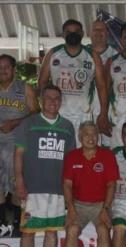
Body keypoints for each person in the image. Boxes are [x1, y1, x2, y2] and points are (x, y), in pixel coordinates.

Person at [14, 85, 76, 247]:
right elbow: (18, 154)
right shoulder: (28, 123)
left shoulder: (68, 126)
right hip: (32, 189)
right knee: (28, 231)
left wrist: (69, 187)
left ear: (61, 102)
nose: (52, 102)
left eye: (56, 98)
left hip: (57, 189)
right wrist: (19, 180)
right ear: (41, 101)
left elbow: (70, 160)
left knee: (51, 231)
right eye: (48, 98)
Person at [38, 19, 111, 145]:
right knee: (58, 152)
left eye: (76, 32)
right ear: (63, 35)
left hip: (83, 115)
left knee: (85, 153)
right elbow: (42, 83)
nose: (73, 34)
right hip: (58, 113)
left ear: (82, 34)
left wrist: (103, 113)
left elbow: (101, 86)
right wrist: (44, 107)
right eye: (68, 32)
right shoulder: (53, 53)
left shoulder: (92, 55)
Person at [63, 121, 119, 247]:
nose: (91, 137)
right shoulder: (71, 156)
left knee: (103, 230)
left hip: (100, 205)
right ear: (80, 137)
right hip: (78, 204)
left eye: (94, 134)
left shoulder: (107, 155)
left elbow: (111, 185)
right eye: (86, 134)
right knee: (72, 230)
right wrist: (70, 208)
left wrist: (106, 208)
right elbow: (67, 185)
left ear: (98, 137)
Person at [0, 54, 39, 236]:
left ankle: (16, 224)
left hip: (17, 143)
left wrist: (14, 123)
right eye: (0, 67)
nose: (3, 70)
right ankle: (1, 224)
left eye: (6, 67)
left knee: (17, 184)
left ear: (14, 70)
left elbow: (35, 114)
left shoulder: (25, 88)